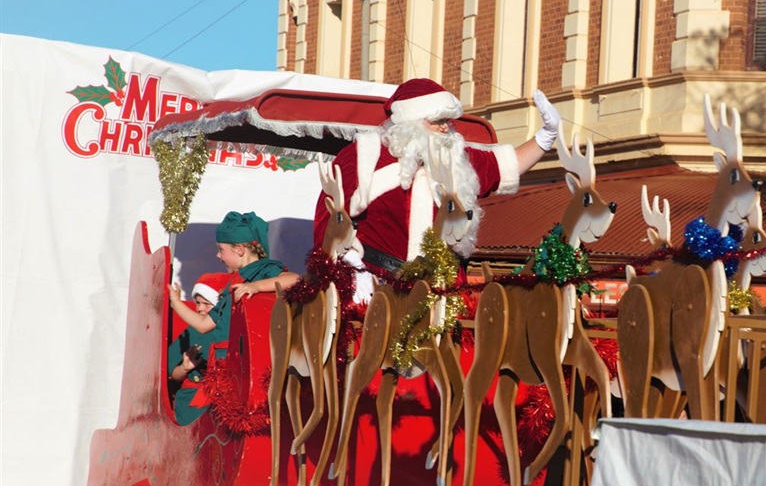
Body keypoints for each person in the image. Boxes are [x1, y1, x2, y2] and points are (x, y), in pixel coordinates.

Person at [312, 77, 562, 276]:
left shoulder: (457, 159)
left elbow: (510, 164)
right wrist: (345, 269)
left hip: (440, 286)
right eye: (438, 121)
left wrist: (547, 135)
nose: (446, 127)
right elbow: (329, 217)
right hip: (376, 283)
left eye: (448, 121)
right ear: (411, 121)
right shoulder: (364, 155)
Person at [169, 211, 300, 362]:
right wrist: (176, 303)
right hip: (225, 363)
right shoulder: (231, 286)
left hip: (251, 362)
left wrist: (256, 286)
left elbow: (295, 279)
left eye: (221, 250)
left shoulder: (264, 269)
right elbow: (203, 325)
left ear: (239, 250)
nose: (218, 256)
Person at [166, 272, 230, 425]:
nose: (200, 308)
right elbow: (173, 375)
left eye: (206, 304)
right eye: (197, 303)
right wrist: (185, 368)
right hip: (191, 401)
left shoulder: (231, 331)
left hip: (225, 401)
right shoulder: (192, 331)